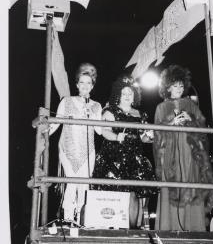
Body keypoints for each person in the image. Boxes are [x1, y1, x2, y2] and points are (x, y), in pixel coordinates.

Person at [153, 65, 213, 231]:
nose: (179, 89)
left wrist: (191, 119)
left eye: (181, 86)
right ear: (167, 87)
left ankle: (193, 227)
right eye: (175, 85)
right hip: (169, 156)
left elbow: (203, 131)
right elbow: (157, 134)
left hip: (189, 155)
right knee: (172, 186)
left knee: (190, 184)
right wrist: (171, 123)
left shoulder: (191, 105)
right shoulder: (161, 107)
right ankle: (170, 228)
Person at [92, 75, 158, 228]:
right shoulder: (110, 111)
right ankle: (112, 231)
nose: (127, 95)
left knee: (133, 196)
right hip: (113, 157)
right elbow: (104, 131)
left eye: (130, 92)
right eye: (124, 92)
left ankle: (132, 231)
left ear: (135, 95)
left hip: (134, 157)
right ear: (118, 94)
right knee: (113, 194)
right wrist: (116, 137)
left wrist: (150, 137)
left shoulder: (140, 114)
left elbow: (143, 137)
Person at [49, 62, 102, 223]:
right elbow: (56, 123)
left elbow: (99, 130)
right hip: (68, 147)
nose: (85, 86)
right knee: (72, 182)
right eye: (82, 82)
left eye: (88, 83)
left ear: (92, 86)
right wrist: (44, 133)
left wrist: (91, 115)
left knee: (84, 185)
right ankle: (67, 219)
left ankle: (81, 220)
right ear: (77, 84)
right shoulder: (67, 101)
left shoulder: (96, 105)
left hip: (88, 150)